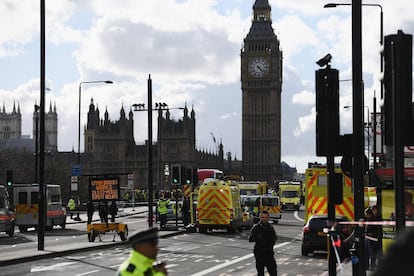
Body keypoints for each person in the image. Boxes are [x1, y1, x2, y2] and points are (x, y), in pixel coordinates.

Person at [248, 210, 278, 276]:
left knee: (273, 271)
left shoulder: (270, 227)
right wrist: (258, 237)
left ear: (268, 218)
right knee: (260, 271)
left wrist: (272, 241)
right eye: (262, 217)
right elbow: (250, 239)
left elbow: (274, 237)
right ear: (260, 218)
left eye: (265, 217)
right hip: (259, 252)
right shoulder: (256, 227)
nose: (264, 219)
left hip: (269, 252)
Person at [365, 205, 382, 270]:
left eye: (375, 210)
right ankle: (367, 266)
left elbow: (378, 228)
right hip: (368, 237)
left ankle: (372, 266)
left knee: (373, 253)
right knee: (368, 252)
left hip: (374, 237)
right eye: (373, 210)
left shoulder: (378, 217)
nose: (374, 211)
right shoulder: (369, 217)